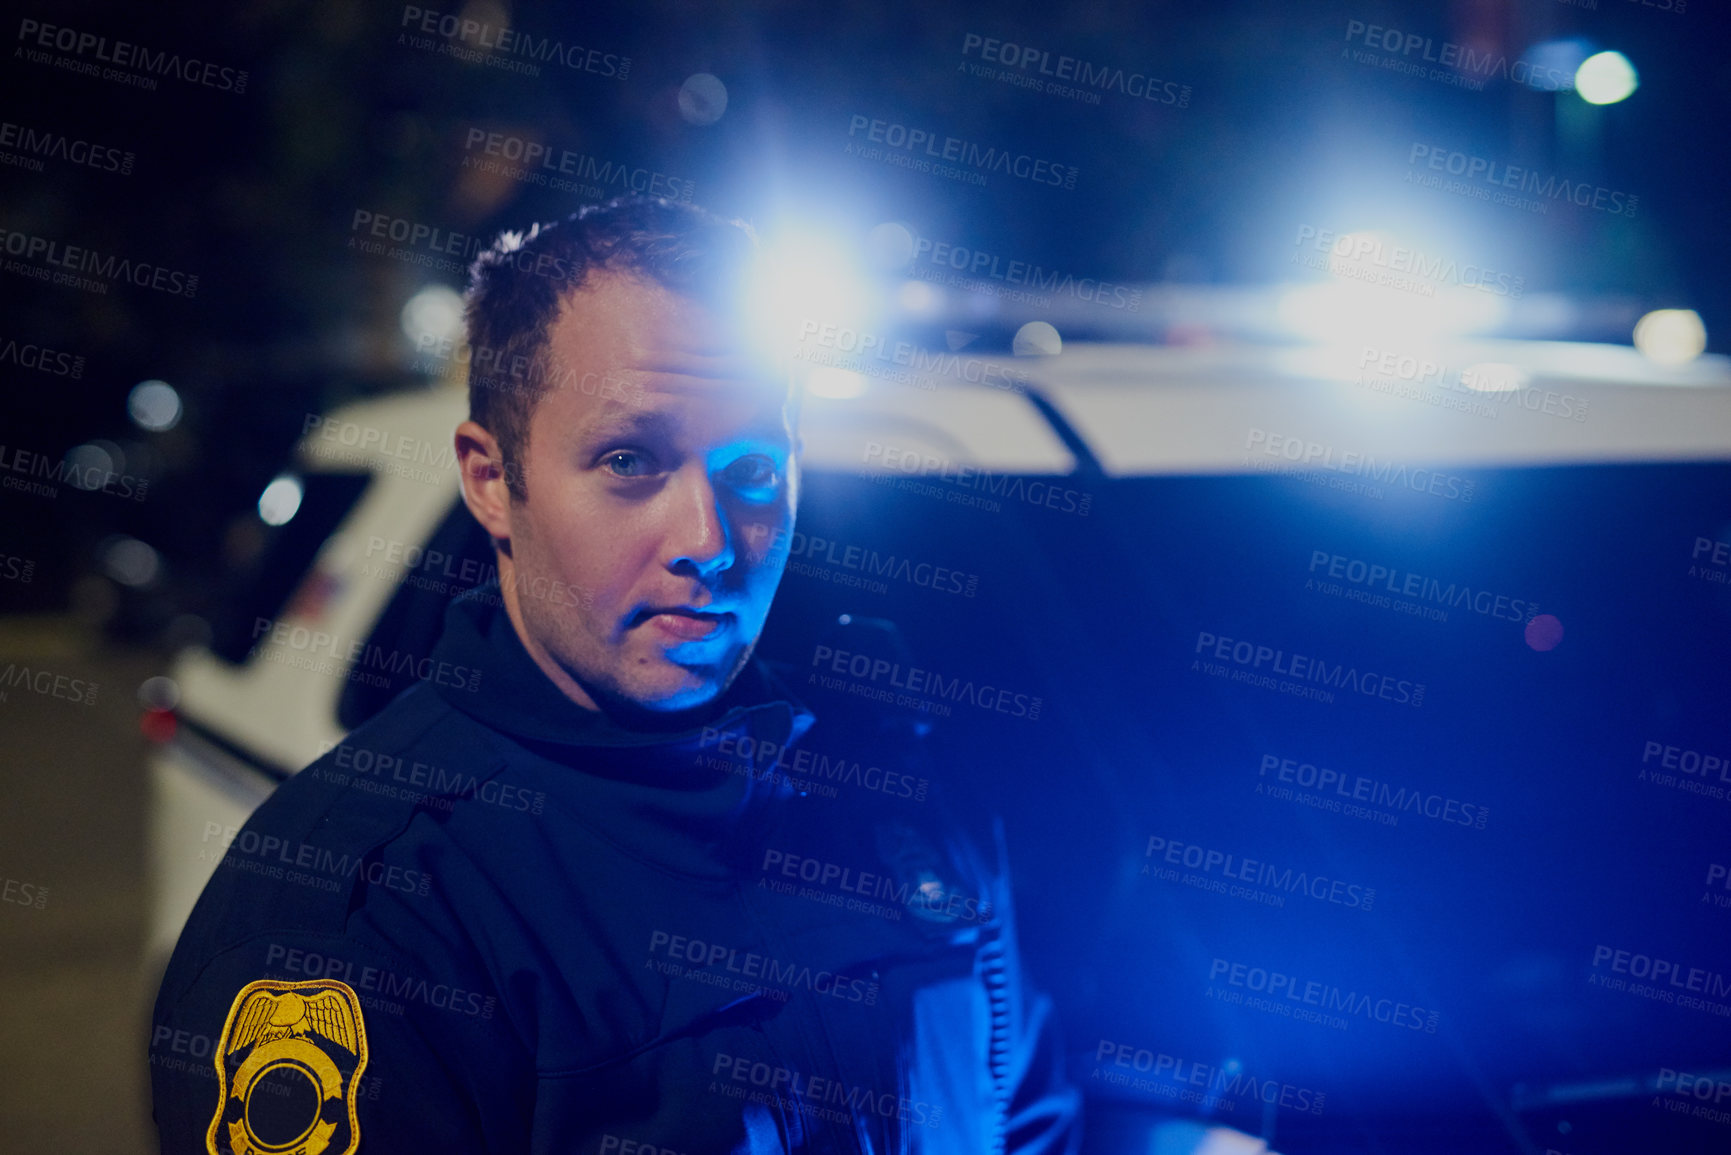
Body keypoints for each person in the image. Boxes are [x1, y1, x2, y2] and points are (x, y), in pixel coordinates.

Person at [150, 195, 1080, 1155]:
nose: (710, 541)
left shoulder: (894, 789)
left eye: (754, 470)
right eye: (630, 459)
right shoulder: (358, 922)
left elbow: (1028, 1113)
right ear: (489, 479)